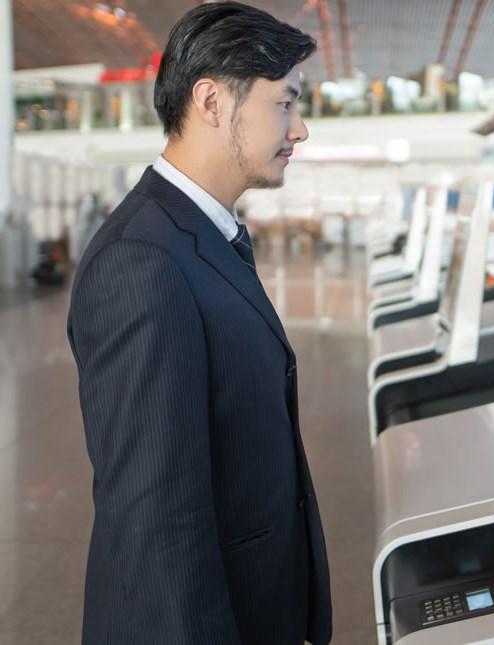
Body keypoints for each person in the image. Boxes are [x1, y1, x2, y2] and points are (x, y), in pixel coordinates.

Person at [66, 3, 331, 643]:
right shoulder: (142, 261)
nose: (299, 131)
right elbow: (157, 526)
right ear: (212, 101)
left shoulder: (200, 236)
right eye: (284, 103)